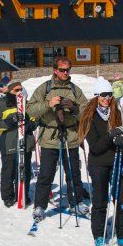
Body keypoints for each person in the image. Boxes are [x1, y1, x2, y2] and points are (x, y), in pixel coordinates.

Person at [27, 57, 89, 222]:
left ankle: (76, 201)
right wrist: (48, 104)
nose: (65, 72)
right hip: (50, 136)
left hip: (70, 135)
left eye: (68, 69)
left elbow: (87, 112)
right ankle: (40, 205)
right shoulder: (44, 88)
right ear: (55, 70)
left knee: (73, 172)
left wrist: (75, 108)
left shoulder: (75, 90)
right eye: (62, 70)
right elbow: (30, 110)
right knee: (46, 174)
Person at [79, 77, 123, 246]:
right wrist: (112, 135)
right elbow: (95, 146)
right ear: (96, 96)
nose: (107, 98)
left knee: (121, 199)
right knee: (100, 200)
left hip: (117, 161)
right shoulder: (90, 116)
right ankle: (99, 234)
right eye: (103, 95)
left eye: (109, 95)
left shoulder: (116, 112)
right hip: (98, 164)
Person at [0, 82, 36, 208]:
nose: (19, 92)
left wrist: (29, 125)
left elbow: (35, 120)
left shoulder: (26, 104)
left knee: (24, 170)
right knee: (9, 170)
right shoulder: (3, 104)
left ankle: (22, 194)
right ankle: (8, 196)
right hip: (9, 141)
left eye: (21, 90)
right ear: (10, 91)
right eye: (16, 90)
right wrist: (10, 121)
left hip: (25, 142)